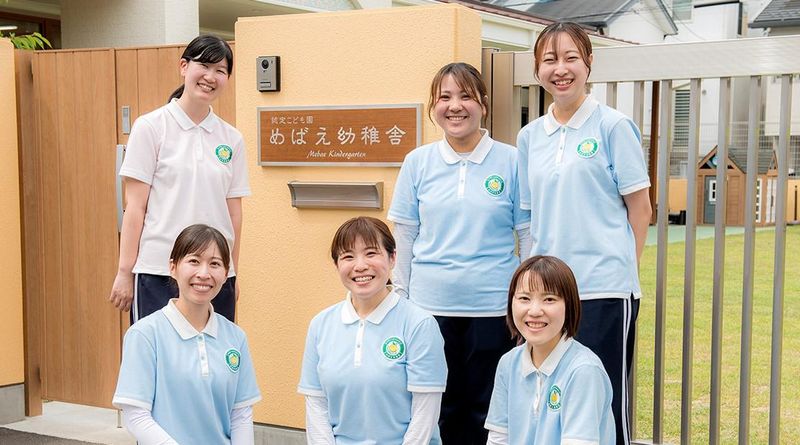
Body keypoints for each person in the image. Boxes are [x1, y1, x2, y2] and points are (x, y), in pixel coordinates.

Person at [516, 22, 652, 445]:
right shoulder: (529, 137)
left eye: (570, 57)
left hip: (602, 289)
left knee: (604, 402)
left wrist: (623, 270)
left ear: (588, 63)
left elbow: (641, 209)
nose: (560, 69)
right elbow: (529, 217)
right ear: (537, 68)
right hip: (549, 295)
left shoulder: (613, 126)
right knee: (554, 398)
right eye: (549, 60)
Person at [388, 62, 531, 444]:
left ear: (483, 103)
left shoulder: (512, 160)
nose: (455, 106)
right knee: (438, 407)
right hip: (429, 309)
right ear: (433, 106)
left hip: (493, 309)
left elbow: (527, 235)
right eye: (445, 97)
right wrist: (401, 299)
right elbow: (405, 235)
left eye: (465, 96)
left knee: (490, 409)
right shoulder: (418, 162)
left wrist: (524, 302)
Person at [109, 34, 250, 324]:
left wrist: (231, 271)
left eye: (220, 70)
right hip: (159, 271)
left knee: (213, 349)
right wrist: (125, 271)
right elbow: (135, 207)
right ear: (184, 67)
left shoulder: (231, 139)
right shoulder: (151, 127)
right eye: (204, 66)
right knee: (157, 350)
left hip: (213, 276)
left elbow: (234, 214)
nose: (210, 77)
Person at [298, 216, 447, 444]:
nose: (360, 266)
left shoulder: (419, 324)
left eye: (371, 253)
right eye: (348, 256)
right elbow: (316, 405)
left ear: (392, 257)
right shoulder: (321, 324)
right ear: (337, 265)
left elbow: (424, 414)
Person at [113, 224, 261, 445]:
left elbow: (240, 415)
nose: (204, 274)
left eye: (215, 264)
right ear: (173, 267)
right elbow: (136, 416)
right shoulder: (144, 335)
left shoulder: (236, 337)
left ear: (225, 274)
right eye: (194, 261)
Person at [485, 255, 615, 445]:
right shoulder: (508, 363)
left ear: (569, 305)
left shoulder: (584, 370)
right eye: (524, 298)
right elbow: (498, 440)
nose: (534, 311)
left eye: (549, 299)